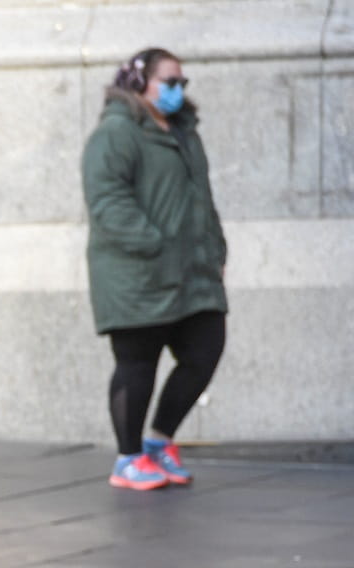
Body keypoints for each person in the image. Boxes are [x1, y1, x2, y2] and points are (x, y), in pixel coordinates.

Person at [82, 47, 227, 490]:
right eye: (170, 82)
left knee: (205, 349)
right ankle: (127, 460)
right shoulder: (116, 133)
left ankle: (159, 442)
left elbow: (201, 197)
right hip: (137, 274)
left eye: (182, 82)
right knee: (137, 364)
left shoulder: (184, 132)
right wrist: (153, 242)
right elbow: (107, 200)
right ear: (140, 82)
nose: (178, 90)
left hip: (192, 271)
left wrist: (216, 249)